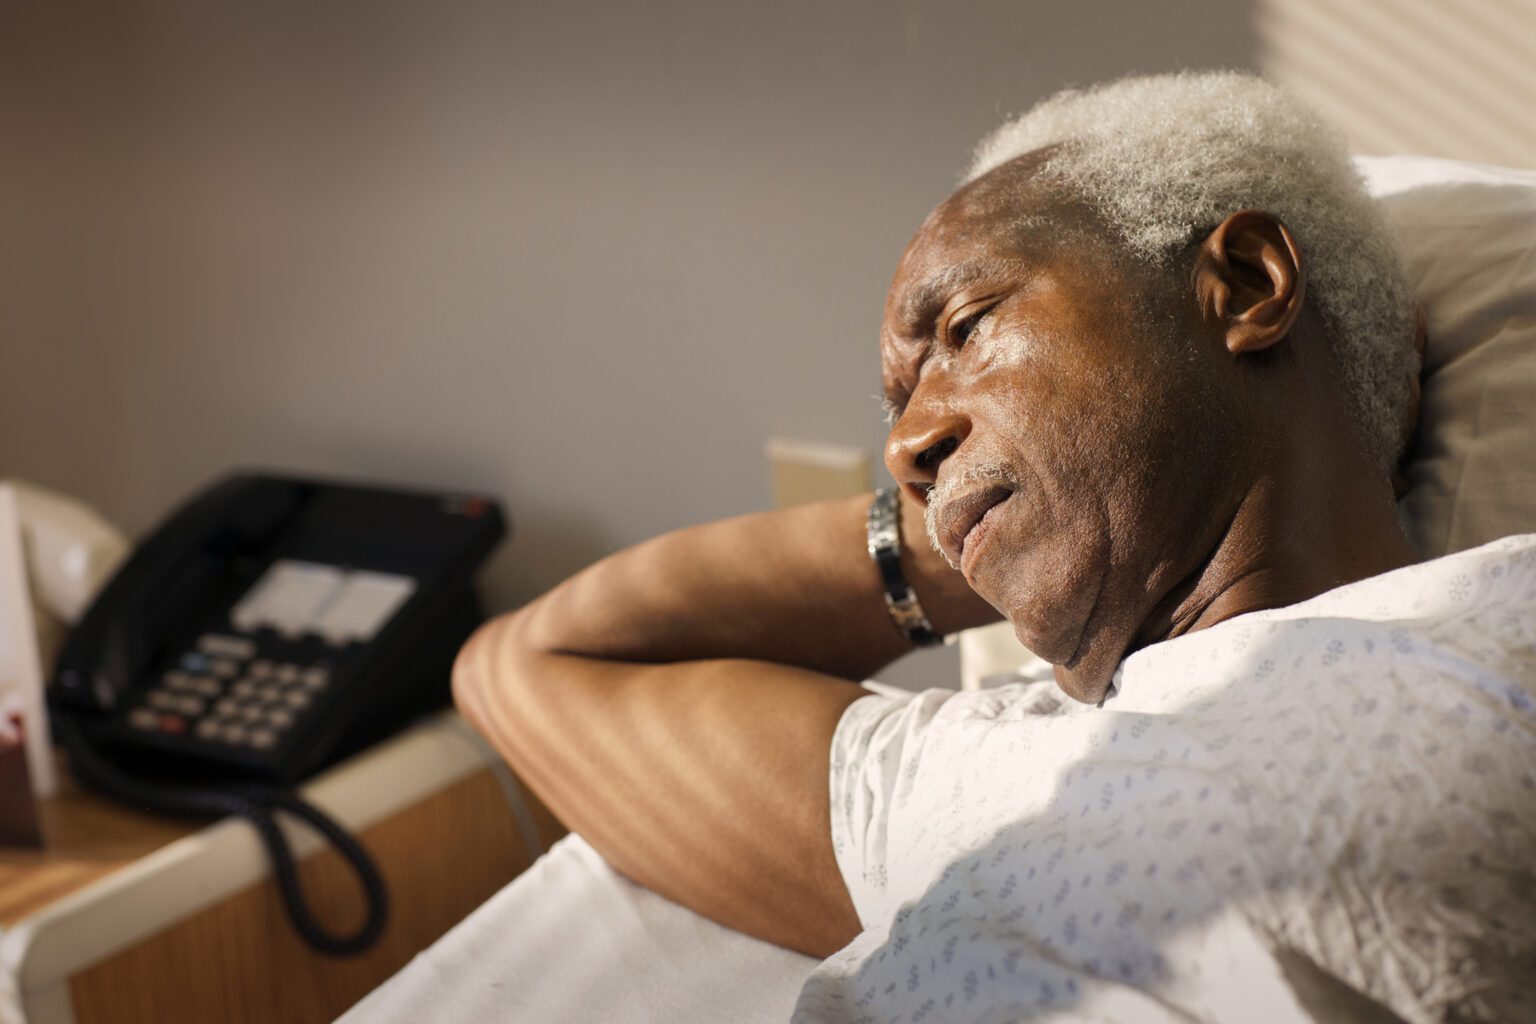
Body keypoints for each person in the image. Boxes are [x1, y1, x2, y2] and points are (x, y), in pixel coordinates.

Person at [454, 72, 1536, 1021]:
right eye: (900, 399)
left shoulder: (1506, 630)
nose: (903, 442)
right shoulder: (980, 777)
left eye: (965, 327)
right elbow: (524, 666)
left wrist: (1081, 498)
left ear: (1245, 286)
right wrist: (973, 529)